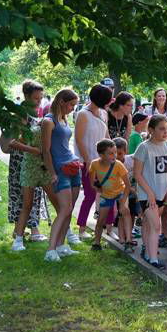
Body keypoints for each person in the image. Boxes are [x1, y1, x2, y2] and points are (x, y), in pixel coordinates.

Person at [7, 80, 51, 250]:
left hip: (33, 159)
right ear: (26, 96)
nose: (39, 101)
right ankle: (24, 229)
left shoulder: (35, 111)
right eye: (35, 98)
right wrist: (33, 150)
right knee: (21, 194)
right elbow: (13, 141)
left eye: (40, 98)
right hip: (22, 160)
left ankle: (30, 228)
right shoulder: (21, 114)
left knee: (34, 194)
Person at [40, 88, 82, 262]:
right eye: (71, 104)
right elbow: (45, 150)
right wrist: (52, 173)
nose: (73, 108)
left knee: (69, 209)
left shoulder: (63, 119)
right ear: (62, 101)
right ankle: (50, 251)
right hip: (60, 170)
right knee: (64, 209)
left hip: (73, 166)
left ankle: (61, 245)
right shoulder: (48, 121)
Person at [133, 115, 167, 270]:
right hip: (147, 195)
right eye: (161, 129)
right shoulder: (144, 147)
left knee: (148, 224)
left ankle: (146, 250)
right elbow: (137, 174)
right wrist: (150, 193)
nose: (166, 132)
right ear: (151, 130)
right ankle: (153, 259)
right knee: (156, 226)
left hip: (163, 193)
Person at [74, 83, 113, 239]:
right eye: (108, 99)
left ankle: (109, 229)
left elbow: (106, 136)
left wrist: (113, 154)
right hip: (87, 162)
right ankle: (82, 229)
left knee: (110, 194)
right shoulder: (83, 114)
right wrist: (88, 160)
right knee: (90, 196)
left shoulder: (103, 113)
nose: (110, 102)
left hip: (104, 161)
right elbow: (79, 139)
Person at [88, 139, 131, 253]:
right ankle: (97, 243)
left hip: (120, 192)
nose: (114, 155)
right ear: (101, 155)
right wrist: (97, 188)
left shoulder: (118, 165)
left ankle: (129, 241)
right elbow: (92, 181)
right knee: (101, 220)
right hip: (106, 195)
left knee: (125, 212)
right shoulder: (94, 164)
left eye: (115, 152)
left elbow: (127, 185)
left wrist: (123, 202)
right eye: (111, 153)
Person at [112, 136, 137, 248]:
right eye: (114, 153)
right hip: (121, 192)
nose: (117, 156)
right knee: (122, 214)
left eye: (120, 153)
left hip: (133, 192)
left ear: (125, 152)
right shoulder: (112, 165)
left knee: (132, 215)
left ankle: (129, 235)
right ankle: (122, 237)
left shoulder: (131, 160)